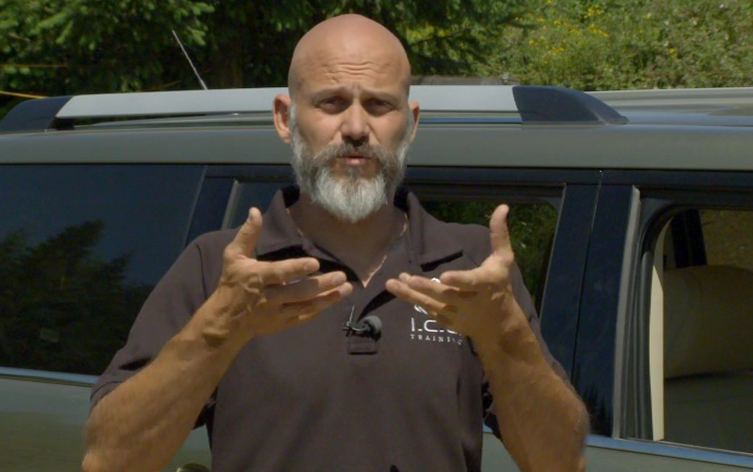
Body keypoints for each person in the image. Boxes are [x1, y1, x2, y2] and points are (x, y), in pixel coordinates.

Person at [83, 14, 588, 472]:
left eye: (379, 105)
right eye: (331, 102)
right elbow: (110, 460)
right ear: (285, 118)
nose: (355, 128)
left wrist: (505, 335)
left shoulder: (474, 268)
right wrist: (216, 333)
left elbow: (561, 462)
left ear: (411, 124)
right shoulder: (219, 268)